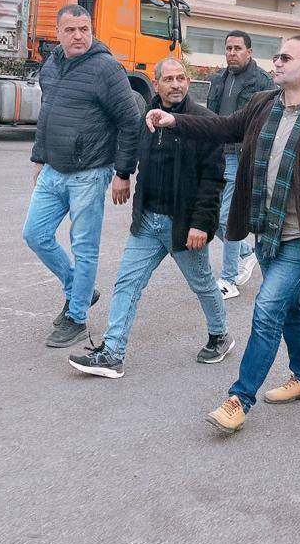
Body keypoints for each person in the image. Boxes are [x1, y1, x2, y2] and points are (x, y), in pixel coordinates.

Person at [145, 35, 300, 435]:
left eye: (285, 57)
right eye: (276, 56)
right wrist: (174, 120)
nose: (275, 62)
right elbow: (223, 127)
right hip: (265, 230)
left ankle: (240, 398)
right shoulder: (263, 103)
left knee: (267, 309)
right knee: (292, 307)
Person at [68, 58, 234, 378]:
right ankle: (112, 353)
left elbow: (213, 180)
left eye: (181, 78)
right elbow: (129, 147)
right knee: (127, 283)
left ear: (188, 82)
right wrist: (123, 174)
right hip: (147, 222)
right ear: (156, 84)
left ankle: (220, 335)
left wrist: (201, 224)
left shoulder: (204, 122)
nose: (176, 84)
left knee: (202, 284)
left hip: (183, 224)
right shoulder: (147, 117)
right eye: (168, 79)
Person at [23, 4, 144, 347]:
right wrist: (39, 158)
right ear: (58, 33)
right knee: (35, 234)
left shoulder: (106, 68)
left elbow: (130, 123)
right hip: (53, 169)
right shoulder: (52, 65)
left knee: (84, 248)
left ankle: (76, 317)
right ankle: (80, 289)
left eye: (84, 29)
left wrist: (123, 173)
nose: (78, 36)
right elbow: (47, 114)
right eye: (70, 30)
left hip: (90, 172)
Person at [206, 30, 276, 300]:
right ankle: (246, 252)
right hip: (217, 154)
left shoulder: (263, 82)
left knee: (227, 217)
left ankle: (229, 279)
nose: (232, 53)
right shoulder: (219, 79)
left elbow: (268, 123)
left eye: (237, 48)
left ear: (249, 51)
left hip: (241, 156)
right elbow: (211, 117)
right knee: (210, 216)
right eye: (228, 48)